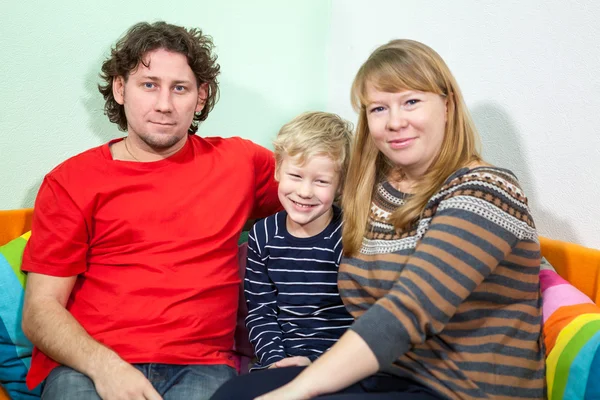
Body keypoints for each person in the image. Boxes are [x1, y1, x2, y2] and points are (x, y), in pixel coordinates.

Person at [214, 39, 546, 400]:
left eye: (411, 102)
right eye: (378, 108)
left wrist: (297, 391)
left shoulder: (484, 191)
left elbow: (407, 310)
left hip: (460, 388)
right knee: (233, 394)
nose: (395, 122)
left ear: (447, 106)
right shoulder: (377, 192)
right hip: (388, 374)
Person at [20, 21, 281, 400]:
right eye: (149, 84)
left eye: (180, 88)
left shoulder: (240, 163)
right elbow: (40, 309)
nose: (164, 103)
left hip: (201, 367)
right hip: (90, 365)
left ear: (201, 96)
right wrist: (105, 367)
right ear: (120, 89)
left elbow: (333, 185)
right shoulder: (70, 181)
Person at [243, 112, 355, 373]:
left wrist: (317, 365)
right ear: (278, 170)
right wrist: (275, 361)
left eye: (321, 181)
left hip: (339, 365)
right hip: (278, 362)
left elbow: (365, 318)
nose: (305, 192)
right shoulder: (262, 235)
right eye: (296, 176)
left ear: (339, 186)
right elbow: (261, 311)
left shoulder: (348, 234)